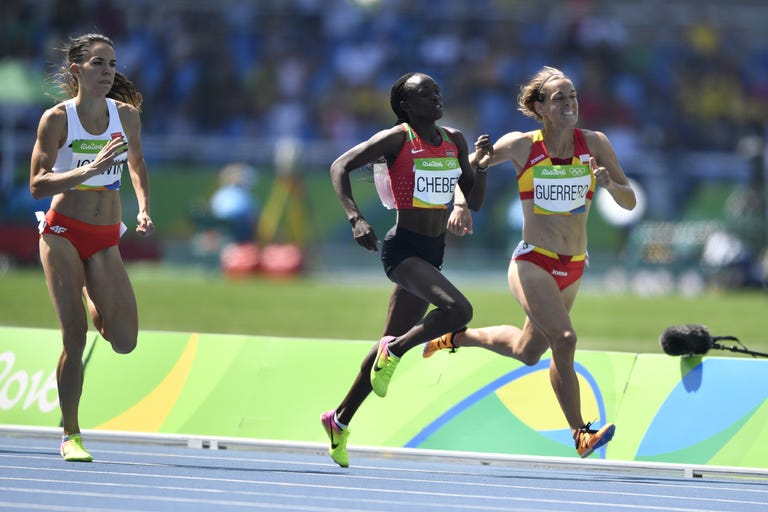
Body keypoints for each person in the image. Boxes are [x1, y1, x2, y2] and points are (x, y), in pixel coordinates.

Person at [423, 66, 637, 458]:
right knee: (565, 339)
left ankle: (456, 336)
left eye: (572, 95)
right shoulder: (522, 145)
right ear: (539, 107)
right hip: (532, 262)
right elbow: (463, 169)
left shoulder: (596, 143)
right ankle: (580, 433)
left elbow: (630, 201)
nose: (570, 103)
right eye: (559, 98)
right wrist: (461, 203)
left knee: (527, 350)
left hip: (573, 265)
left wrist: (609, 184)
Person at [322, 72, 491, 467]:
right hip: (403, 251)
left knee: (389, 338)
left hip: (433, 253)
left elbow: (475, 201)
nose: (436, 95)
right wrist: (355, 218)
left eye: (436, 89)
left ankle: (339, 419)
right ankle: (395, 352)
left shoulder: (454, 140)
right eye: (424, 93)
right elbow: (339, 166)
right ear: (406, 106)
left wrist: (480, 167)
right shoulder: (398, 138)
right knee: (459, 312)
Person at [29, 33, 154, 462]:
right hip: (62, 231)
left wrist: (143, 208)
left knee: (124, 341)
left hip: (105, 237)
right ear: (77, 70)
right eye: (99, 64)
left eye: (113, 64)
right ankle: (71, 433)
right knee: (75, 336)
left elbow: (136, 163)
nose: (108, 72)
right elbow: (36, 184)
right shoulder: (57, 119)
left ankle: (88, 287)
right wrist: (93, 169)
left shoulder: (127, 117)